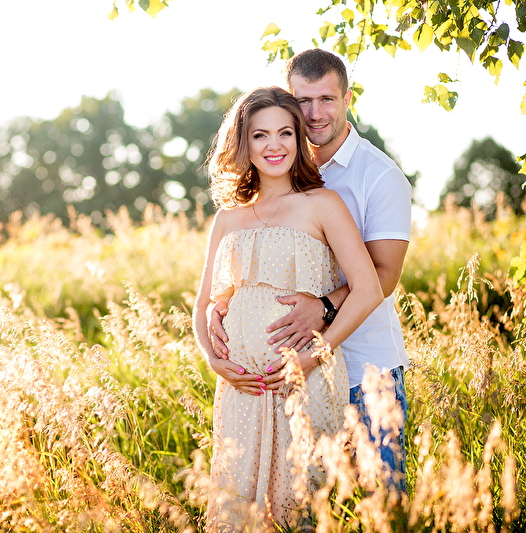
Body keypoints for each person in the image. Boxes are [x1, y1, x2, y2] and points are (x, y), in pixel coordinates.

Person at [207, 49, 412, 492]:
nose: (315, 113)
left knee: (377, 502)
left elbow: (383, 276)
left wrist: (321, 310)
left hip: (364, 368)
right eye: (303, 101)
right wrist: (216, 312)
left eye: (328, 100)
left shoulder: (377, 176)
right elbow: (233, 279)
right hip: (269, 388)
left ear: (347, 100)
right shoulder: (278, 172)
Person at [192, 86, 384, 531]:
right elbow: (205, 302)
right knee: (239, 510)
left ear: (299, 139)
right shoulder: (228, 217)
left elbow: (368, 289)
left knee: (301, 504)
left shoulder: (321, 204)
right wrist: (213, 359)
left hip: (305, 380)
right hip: (243, 390)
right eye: (260, 135)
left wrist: (313, 357)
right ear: (243, 142)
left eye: (284, 133)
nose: (273, 145)